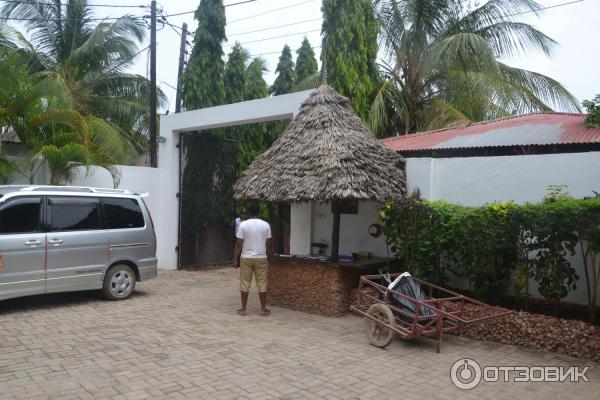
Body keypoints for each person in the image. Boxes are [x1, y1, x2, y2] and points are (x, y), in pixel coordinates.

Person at [232, 203, 272, 316]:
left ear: (249, 213)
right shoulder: (266, 225)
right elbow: (269, 244)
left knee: (245, 283)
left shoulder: (243, 225)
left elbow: (239, 244)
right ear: (259, 212)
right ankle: (263, 309)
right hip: (261, 257)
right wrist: (268, 257)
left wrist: (235, 259)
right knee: (262, 283)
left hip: (246, 257)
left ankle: (243, 309)